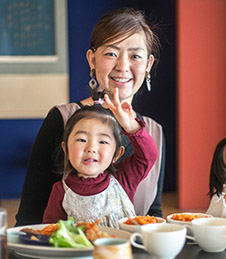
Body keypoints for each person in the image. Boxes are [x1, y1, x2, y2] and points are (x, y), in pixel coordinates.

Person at [15, 8, 165, 226]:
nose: (123, 66)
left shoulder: (153, 132)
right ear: (92, 59)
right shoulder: (63, 119)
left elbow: (154, 214)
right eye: (111, 53)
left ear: (148, 65)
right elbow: (29, 218)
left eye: (135, 56)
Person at [42, 89, 158, 227]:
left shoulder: (123, 178)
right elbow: (51, 231)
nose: (91, 148)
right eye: (81, 139)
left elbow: (149, 156)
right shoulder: (61, 191)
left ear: (116, 154)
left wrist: (132, 127)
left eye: (102, 141)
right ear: (66, 149)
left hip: (123, 248)